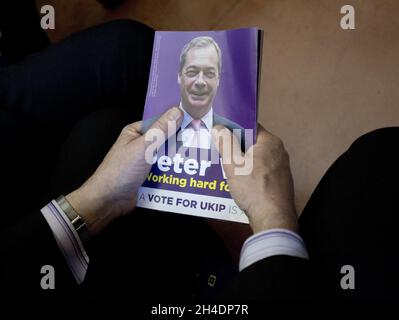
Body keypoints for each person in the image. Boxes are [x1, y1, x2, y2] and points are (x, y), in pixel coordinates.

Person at [142, 36, 246, 150]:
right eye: (192, 72)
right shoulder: (148, 130)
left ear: (218, 79)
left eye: (209, 73)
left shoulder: (239, 135)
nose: (200, 82)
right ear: (179, 76)